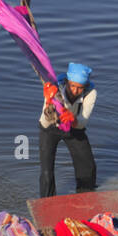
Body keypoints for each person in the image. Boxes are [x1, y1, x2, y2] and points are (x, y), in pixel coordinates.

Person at [39, 62, 98, 198]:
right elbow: (47, 118)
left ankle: (85, 197)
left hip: (74, 127)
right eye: (72, 86)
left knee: (88, 167)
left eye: (79, 88)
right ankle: (47, 202)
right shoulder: (54, 90)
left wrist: (73, 119)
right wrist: (49, 101)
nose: (75, 91)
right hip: (50, 128)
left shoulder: (91, 93)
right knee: (47, 172)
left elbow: (83, 122)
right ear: (66, 82)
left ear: (85, 87)